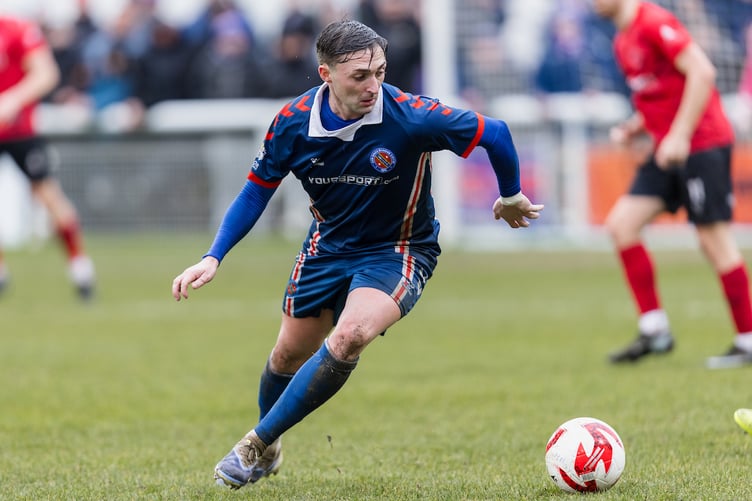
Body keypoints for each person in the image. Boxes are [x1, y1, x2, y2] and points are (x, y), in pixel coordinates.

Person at [172, 19, 543, 489]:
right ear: (325, 74)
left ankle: (253, 444)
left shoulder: (410, 116)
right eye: (360, 76)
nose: (374, 86)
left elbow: (497, 133)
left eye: (380, 72)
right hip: (327, 246)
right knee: (286, 355)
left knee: (349, 337)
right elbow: (254, 194)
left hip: (399, 248)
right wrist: (213, 256)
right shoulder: (292, 123)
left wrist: (510, 195)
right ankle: (270, 446)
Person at [591, 0, 752, 369]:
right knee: (622, 225)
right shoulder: (622, 40)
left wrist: (680, 135)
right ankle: (655, 330)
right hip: (667, 148)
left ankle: (748, 339)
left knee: (713, 240)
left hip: (702, 143)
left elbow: (702, 72)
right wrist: (636, 126)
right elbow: (660, 94)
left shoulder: (653, 21)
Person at [0, 14, 95, 299]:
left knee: (48, 196)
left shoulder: (16, 29)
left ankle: (81, 269)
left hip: (20, 132)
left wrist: (13, 100)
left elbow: (46, 74)